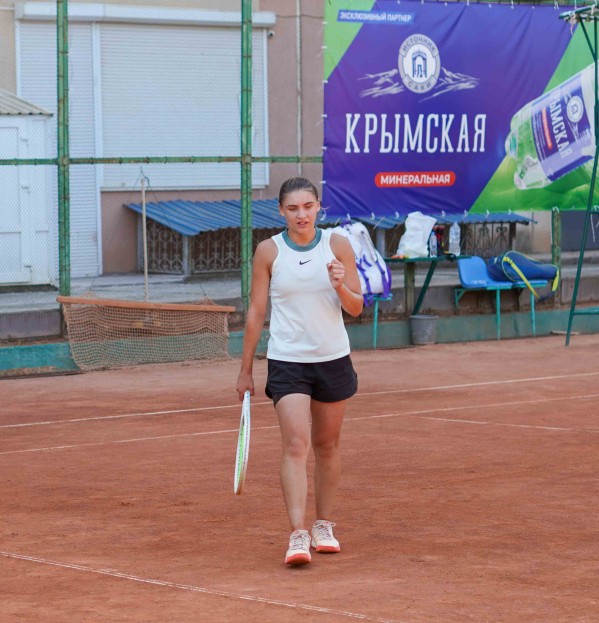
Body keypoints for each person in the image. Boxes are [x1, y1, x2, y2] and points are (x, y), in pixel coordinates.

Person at [236, 176, 363, 565]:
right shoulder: (268, 251)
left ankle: (324, 525)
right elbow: (256, 311)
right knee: (295, 444)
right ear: (281, 211)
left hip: (332, 358)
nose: (301, 215)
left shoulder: (338, 245)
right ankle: (297, 534)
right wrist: (245, 370)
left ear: (319, 206)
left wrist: (340, 285)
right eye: (292, 208)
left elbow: (356, 307)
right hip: (288, 360)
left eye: (308, 207)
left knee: (327, 445)